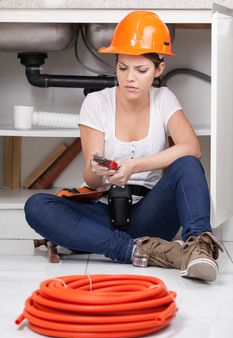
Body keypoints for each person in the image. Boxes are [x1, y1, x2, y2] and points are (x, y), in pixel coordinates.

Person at [24, 10, 223, 283]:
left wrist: (134, 167)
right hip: (105, 210)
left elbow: (192, 147)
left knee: (187, 164)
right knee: (37, 206)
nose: (130, 78)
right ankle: (138, 251)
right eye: (122, 67)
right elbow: (90, 179)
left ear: (158, 69)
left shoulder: (163, 99)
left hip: (150, 215)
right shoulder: (96, 103)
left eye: (141, 70)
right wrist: (97, 168)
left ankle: (199, 248)